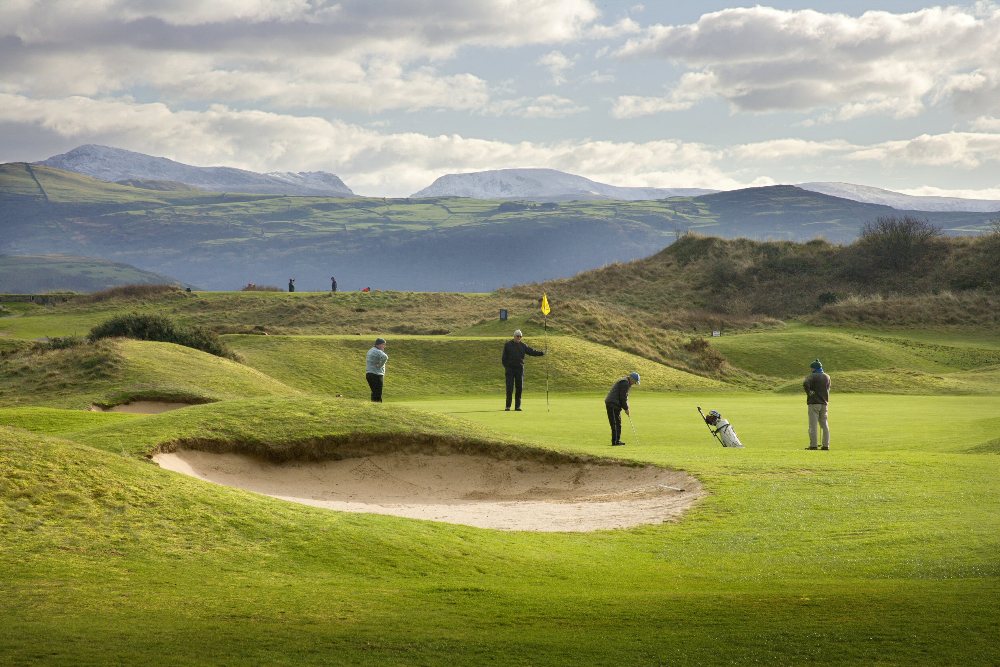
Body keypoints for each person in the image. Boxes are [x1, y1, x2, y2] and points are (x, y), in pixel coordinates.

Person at [501, 329, 544, 411]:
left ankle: (517, 406)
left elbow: (532, 352)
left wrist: (542, 353)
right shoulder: (507, 345)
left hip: (519, 370)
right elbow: (504, 358)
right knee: (509, 388)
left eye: (520, 336)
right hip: (510, 370)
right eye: (517, 336)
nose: (519, 337)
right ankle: (508, 406)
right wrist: (507, 367)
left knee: (519, 388)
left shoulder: (523, 345)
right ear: (514, 336)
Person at [803, 358, 831, 450]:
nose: (811, 369)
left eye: (812, 368)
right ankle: (826, 445)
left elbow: (805, 384)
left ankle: (813, 445)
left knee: (813, 425)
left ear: (814, 368)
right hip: (824, 403)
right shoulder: (827, 376)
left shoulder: (812, 376)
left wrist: (809, 392)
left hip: (814, 403)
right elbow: (828, 389)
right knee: (824, 425)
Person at [605, 372, 640, 446]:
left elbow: (625, 397)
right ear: (632, 379)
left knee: (618, 423)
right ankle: (615, 442)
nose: (634, 384)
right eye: (635, 382)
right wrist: (626, 409)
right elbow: (622, 398)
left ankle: (617, 440)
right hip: (613, 404)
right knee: (615, 423)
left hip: (615, 404)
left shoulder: (626, 382)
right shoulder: (625, 383)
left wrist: (627, 407)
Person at [366, 338, 388, 402]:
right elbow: (385, 357)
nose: (384, 346)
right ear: (379, 344)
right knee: (378, 393)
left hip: (369, 374)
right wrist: (380, 365)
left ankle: (373, 407)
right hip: (376, 374)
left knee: (374, 393)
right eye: (383, 344)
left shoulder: (370, 350)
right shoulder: (377, 351)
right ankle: (378, 408)